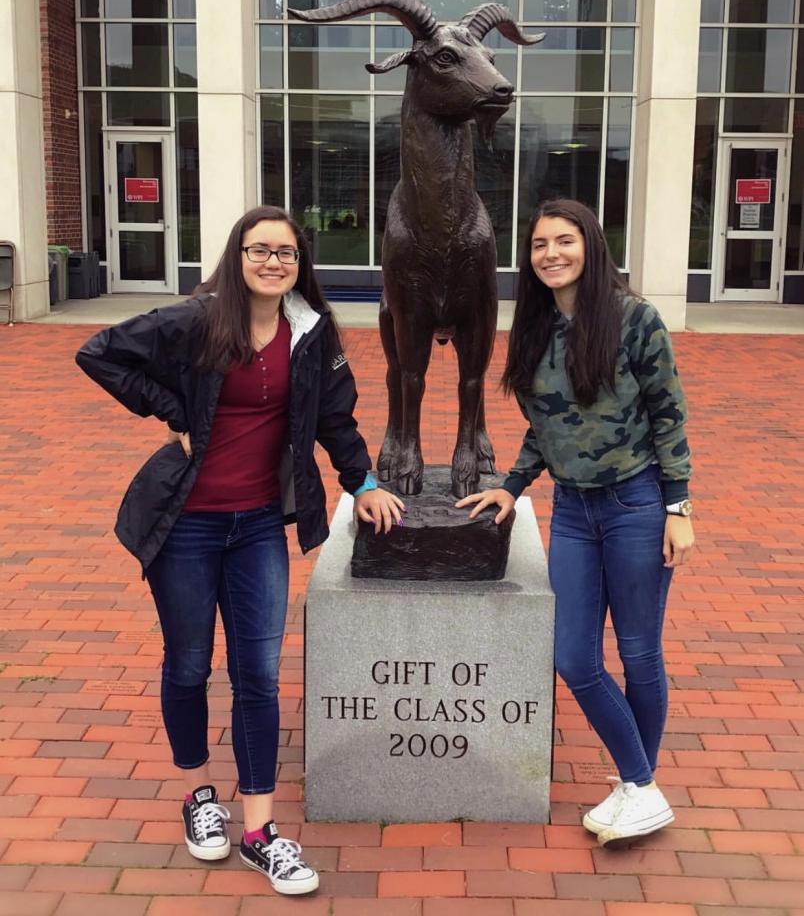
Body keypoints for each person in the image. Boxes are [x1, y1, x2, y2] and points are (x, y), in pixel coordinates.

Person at [76, 205, 404, 894]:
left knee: (257, 672)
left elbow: (334, 419)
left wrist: (363, 482)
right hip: (186, 526)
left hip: (257, 523)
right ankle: (199, 796)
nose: (273, 262)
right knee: (190, 664)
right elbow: (99, 352)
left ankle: (259, 832)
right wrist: (173, 415)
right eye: (260, 250)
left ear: (300, 264)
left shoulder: (311, 332)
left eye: (286, 253)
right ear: (238, 255)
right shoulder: (197, 320)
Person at [457, 198, 694, 847]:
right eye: (539, 244)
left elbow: (668, 413)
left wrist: (678, 507)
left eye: (564, 241)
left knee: (640, 653)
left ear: (589, 246)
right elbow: (546, 427)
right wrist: (509, 488)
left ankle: (634, 787)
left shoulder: (633, 318)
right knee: (573, 658)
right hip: (572, 511)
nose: (551, 253)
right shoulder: (533, 330)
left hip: (636, 504)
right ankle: (641, 785)